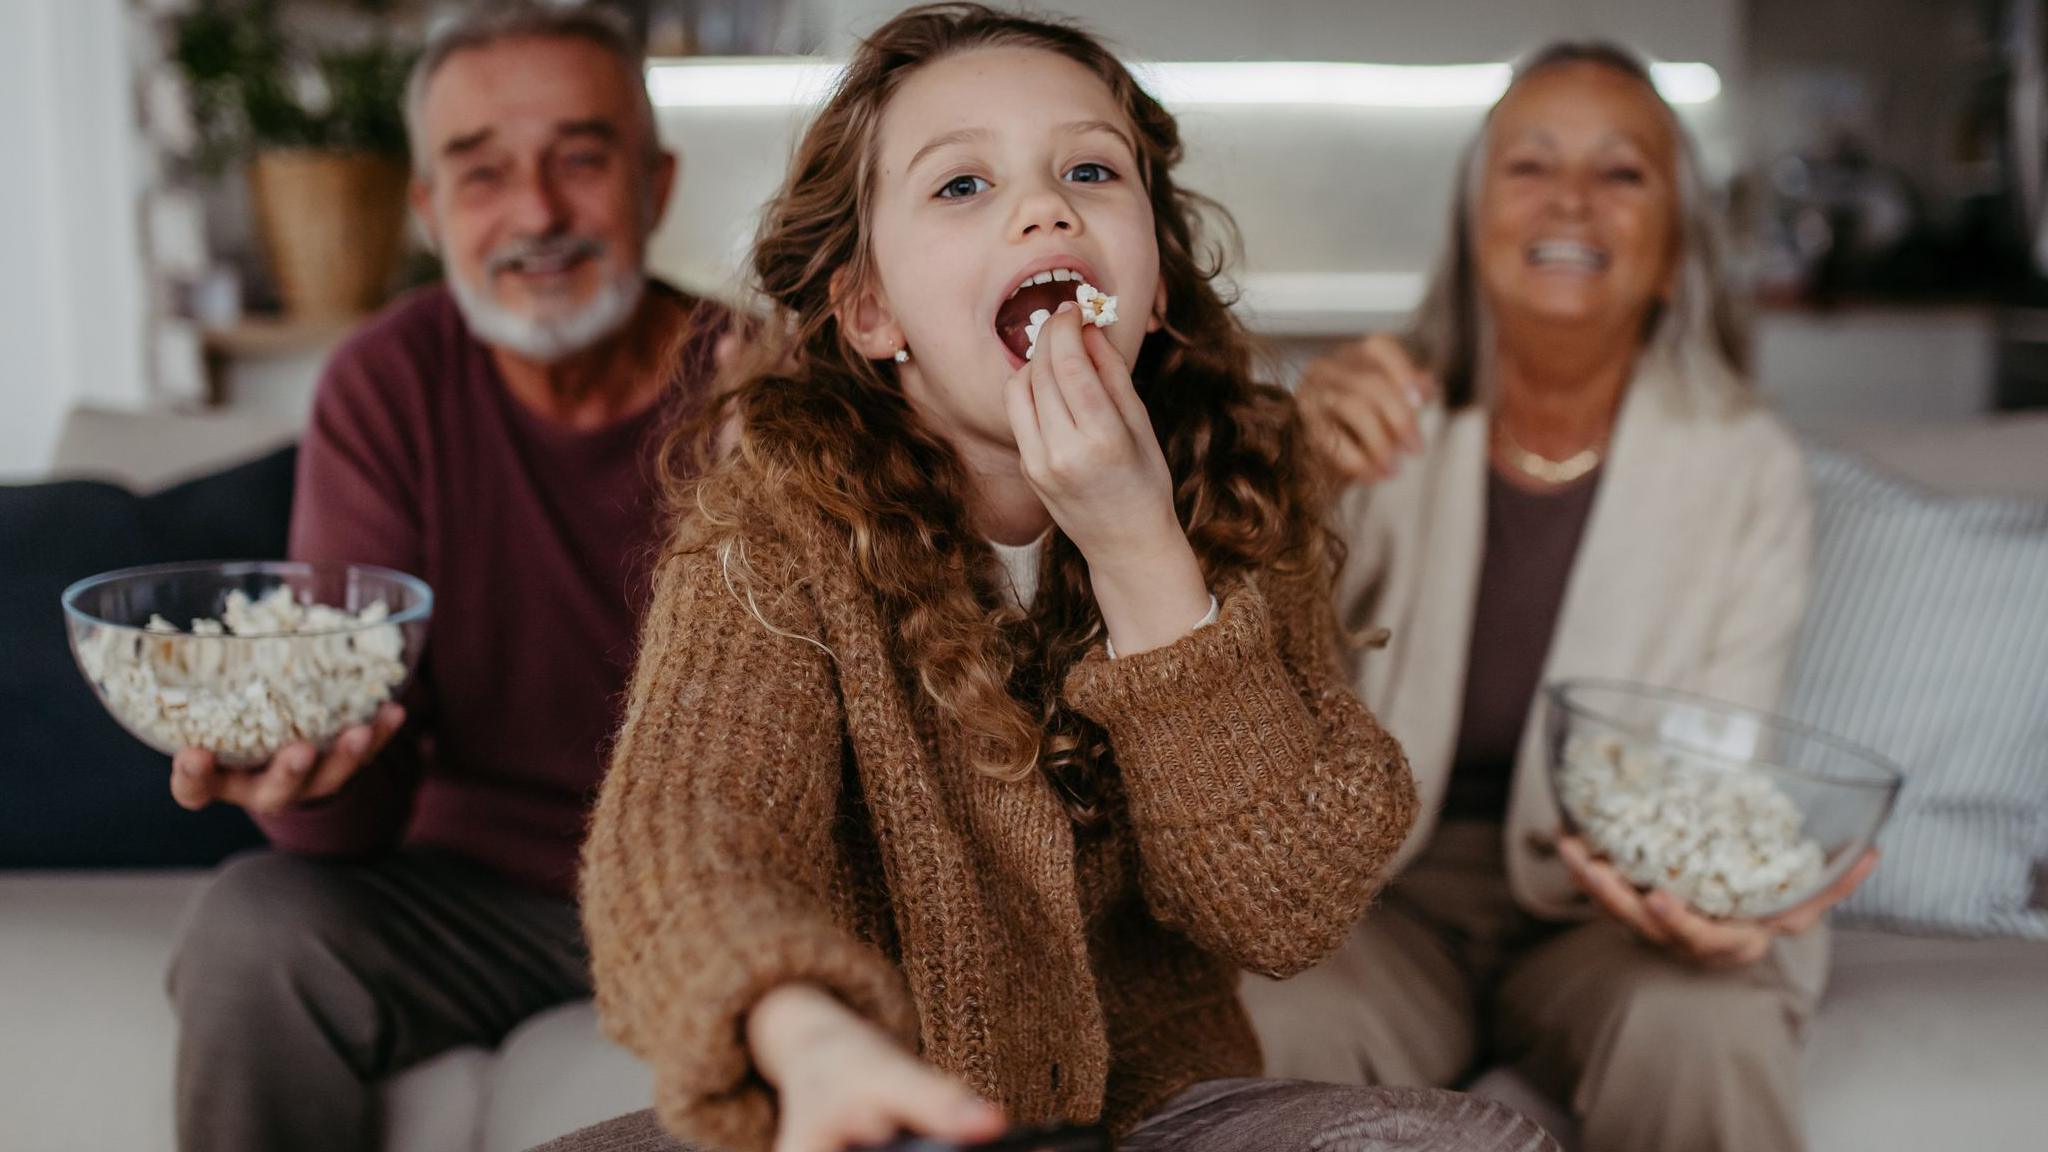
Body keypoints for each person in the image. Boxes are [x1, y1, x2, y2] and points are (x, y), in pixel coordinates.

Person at [539, 6, 1556, 1152]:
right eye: (960, 186)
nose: (1043, 206)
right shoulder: (772, 538)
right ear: (871, 311)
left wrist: (1137, 546)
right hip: (846, 1106)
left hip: (1159, 1117)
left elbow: (1285, 907)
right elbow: (686, 836)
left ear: (1155, 286)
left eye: (1087, 169)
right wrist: (805, 1035)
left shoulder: (1235, 501)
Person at [1241, 41, 1879, 1152]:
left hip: (1615, 915)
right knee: (1270, 1019)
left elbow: (1718, 769)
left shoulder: (1744, 467)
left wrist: (1717, 904)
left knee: (1702, 1030)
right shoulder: (1374, 420)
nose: (1570, 200)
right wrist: (1291, 472)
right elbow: (1247, 671)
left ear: (1676, 241)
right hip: (1380, 901)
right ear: (1470, 220)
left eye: (1621, 172)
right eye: (1528, 165)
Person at [162, 7, 728, 1152]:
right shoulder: (387, 384)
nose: (535, 215)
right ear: (428, 211)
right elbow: (349, 808)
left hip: (718, 892)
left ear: (655, 184)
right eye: (481, 174)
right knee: (251, 929)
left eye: (580, 158)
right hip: (470, 895)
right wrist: (308, 775)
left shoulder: (759, 391)